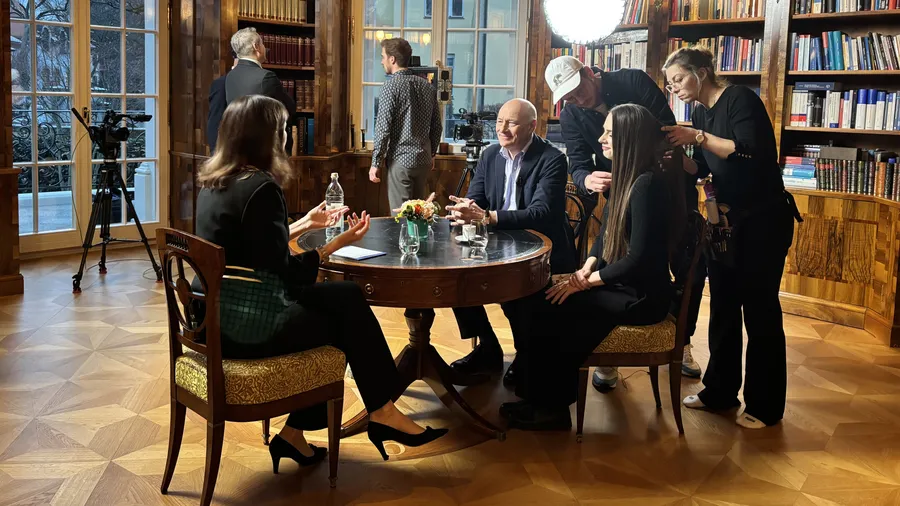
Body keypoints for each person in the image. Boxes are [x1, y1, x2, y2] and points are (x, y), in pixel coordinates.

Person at [195, 95, 448, 467]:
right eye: (283, 129)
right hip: (248, 328)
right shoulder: (262, 188)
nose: (286, 136)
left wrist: (303, 224)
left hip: (214, 319)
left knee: (345, 297)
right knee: (343, 319)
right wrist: (333, 245)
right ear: (266, 137)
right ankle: (380, 412)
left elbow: (247, 252)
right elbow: (285, 279)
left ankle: (303, 433)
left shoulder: (214, 183)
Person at [501, 104, 686, 430]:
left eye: (610, 133)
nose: (601, 139)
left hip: (643, 296)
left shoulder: (647, 186)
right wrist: (585, 269)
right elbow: (603, 238)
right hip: (624, 285)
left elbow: (638, 261)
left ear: (629, 139)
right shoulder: (628, 179)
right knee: (539, 298)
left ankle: (552, 409)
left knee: (558, 308)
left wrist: (585, 283)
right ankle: (536, 393)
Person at [544, 55, 705, 391]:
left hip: (660, 182)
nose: (576, 100)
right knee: (613, 250)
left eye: (578, 91)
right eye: (568, 98)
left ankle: (680, 340)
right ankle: (599, 355)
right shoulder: (572, 114)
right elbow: (578, 163)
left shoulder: (631, 82)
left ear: (590, 73)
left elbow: (664, 131)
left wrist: (586, 282)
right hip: (624, 182)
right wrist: (587, 179)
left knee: (675, 263)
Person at [661, 47, 801, 429]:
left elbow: (749, 155)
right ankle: (719, 392)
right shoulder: (701, 114)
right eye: (671, 84)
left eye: (679, 79)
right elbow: (703, 169)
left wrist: (697, 136)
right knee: (723, 306)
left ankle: (765, 407)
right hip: (725, 222)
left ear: (702, 71)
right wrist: (678, 157)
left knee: (760, 311)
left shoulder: (740, 99)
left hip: (763, 222)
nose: (675, 88)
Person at [443, 98, 577, 386]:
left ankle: (526, 356)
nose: (502, 129)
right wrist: (465, 208)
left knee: (517, 292)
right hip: (497, 242)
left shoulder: (552, 158)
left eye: (511, 123)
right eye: (499, 121)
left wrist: (488, 216)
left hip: (540, 248)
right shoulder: (491, 154)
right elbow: (476, 197)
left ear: (532, 126)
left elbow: (541, 213)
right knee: (454, 278)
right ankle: (488, 348)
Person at [368, 37, 443, 212]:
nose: (382, 61)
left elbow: (383, 128)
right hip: (423, 161)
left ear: (392, 59)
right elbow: (437, 126)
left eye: (383, 57)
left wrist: (375, 163)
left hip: (401, 161)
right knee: (419, 215)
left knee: (401, 216)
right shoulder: (427, 86)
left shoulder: (390, 87)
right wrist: (431, 153)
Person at [225, 27, 296, 153]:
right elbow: (289, 108)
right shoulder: (266, 77)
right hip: (265, 150)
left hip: (238, 147)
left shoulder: (231, 75)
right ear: (256, 46)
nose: (265, 48)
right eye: (262, 43)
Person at [207, 50, 239, 154]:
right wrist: (216, 154)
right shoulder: (222, 84)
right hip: (228, 151)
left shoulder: (260, 81)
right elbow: (215, 121)